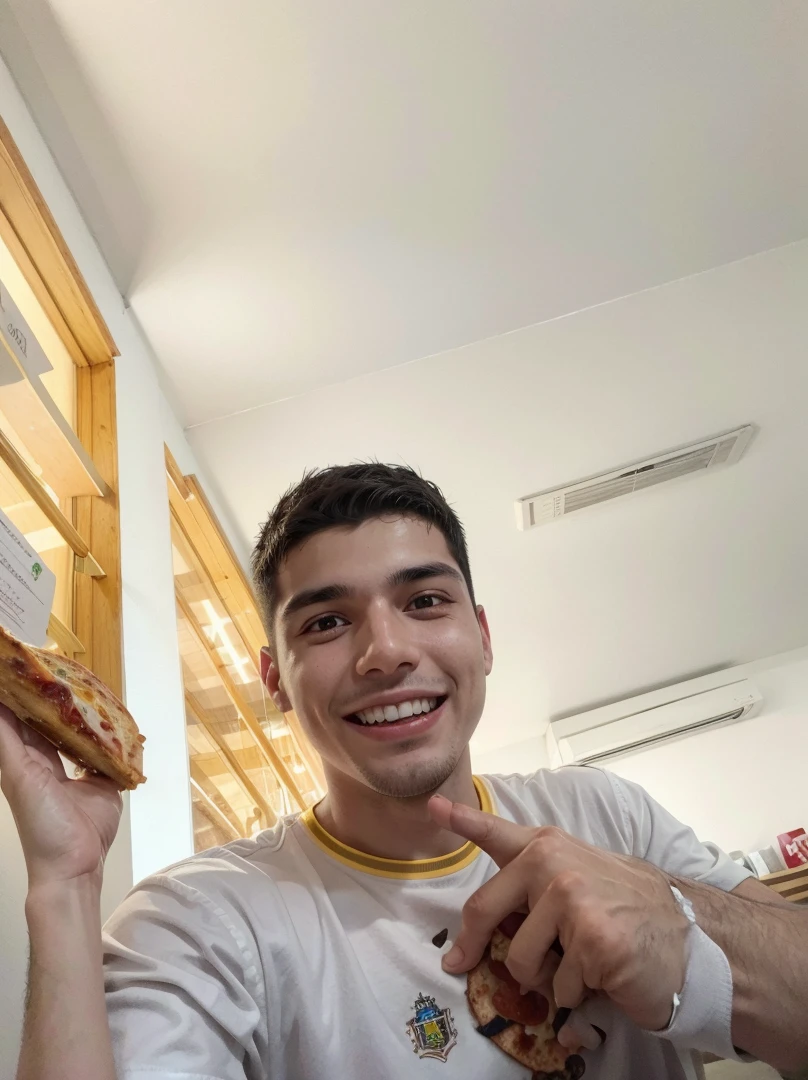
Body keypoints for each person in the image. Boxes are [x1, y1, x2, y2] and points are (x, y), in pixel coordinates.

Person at [1, 463, 806, 1080]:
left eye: (424, 602)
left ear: (482, 637)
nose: (385, 652)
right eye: (326, 622)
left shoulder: (606, 815)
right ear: (275, 679)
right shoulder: (204, 922)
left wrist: (674, 920)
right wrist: (65, 885)